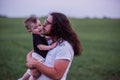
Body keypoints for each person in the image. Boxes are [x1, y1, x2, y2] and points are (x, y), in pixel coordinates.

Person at [26, 12, 83, 80]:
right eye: (45, 21)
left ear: (57, 27)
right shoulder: (49, 41)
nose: (43, 25)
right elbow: (34, 52)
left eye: (47, 23)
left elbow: (57, 75)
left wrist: (35, 64)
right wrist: (30, 60)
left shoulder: (65, 47)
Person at [18, 16, 57, 80]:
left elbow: (44, 39)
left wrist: (51, 37)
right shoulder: (36, 36)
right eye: (35, 27)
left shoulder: (39, 34)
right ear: (30, 31)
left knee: (30, 71)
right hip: (39, 57)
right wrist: (51, 47)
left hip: (37, 55)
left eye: (39, 25)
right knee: (36, 73)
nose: (39, 28)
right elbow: (40, 47)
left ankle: (22, 79)